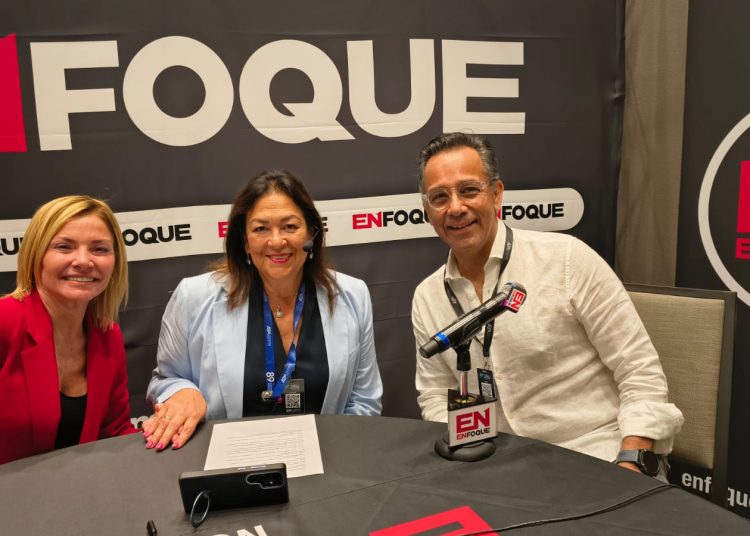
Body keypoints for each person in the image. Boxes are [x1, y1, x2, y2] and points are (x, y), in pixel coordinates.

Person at [412, 132, 683, 477]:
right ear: (427, 210)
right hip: (499, 466)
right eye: (439, 197)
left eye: (469, 190)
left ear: (496, 194)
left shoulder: (567, 259)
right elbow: (436, 394)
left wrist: (632, 461)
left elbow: (639, 372)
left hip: (598, 455)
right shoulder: (427, 296)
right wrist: (465, 462)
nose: (455, 208)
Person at [144, 170, 383, 451]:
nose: (277, 241)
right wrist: (182, 391)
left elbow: (364, 400)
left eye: (290, 226)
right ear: (245, 241)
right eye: (260, 229)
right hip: (227, 463)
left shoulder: (353, 295)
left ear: (312, 234)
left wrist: (338, 461)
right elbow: (166, 379)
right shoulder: (194, 296)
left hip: (328, 461)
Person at [0, 195, 136, 465]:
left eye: (99, 249)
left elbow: (115, 432)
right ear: (36, 254)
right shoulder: (5, 321)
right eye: (64, 247)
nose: (83, 261)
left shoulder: (107, 335)